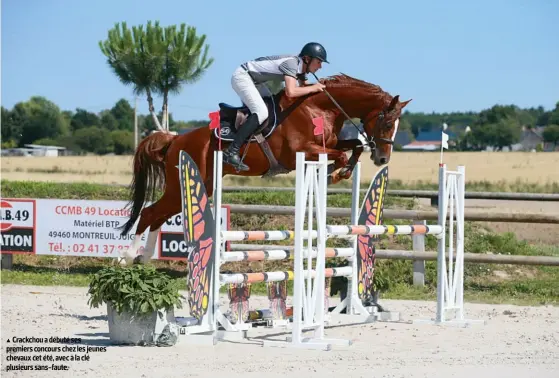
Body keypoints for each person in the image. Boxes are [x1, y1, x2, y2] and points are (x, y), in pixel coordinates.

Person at [222, 42, 329, 171]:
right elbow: (291, 92)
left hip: (256, 81)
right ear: (307, 59)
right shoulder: (292, 64)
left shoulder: (301, 68)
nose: (320, 66)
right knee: (261, 112)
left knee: (272, 105)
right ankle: (232, 151)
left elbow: (305, 88)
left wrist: (321, 88)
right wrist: (314, 87)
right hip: (243, 77)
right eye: (318, 62)